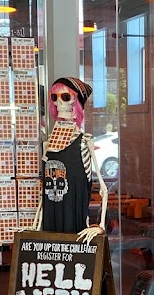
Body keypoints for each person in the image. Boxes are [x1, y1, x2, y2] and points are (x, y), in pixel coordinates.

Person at [34, 77, 108, 242]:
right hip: (51, 224)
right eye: (55, 97)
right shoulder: (48, 145)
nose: (59, 103)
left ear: (76, 102)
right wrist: (35, 227)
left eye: (66, 97)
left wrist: (100, 226)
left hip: (75, 226)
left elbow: (103, 189)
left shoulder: (84, 142)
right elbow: (44, 190)